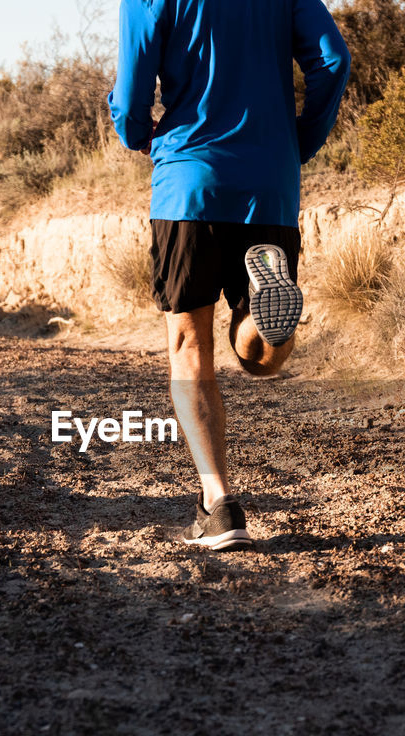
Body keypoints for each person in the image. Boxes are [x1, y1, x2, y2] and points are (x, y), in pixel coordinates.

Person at [109, 0, 350, 551]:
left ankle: (219, 505)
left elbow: (130, 96)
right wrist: (299, 142)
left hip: (188, 182)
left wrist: (133, 132)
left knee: (189, 344)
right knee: (259, 360)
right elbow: (333, 60)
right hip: (270, 182)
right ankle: (266, 320)